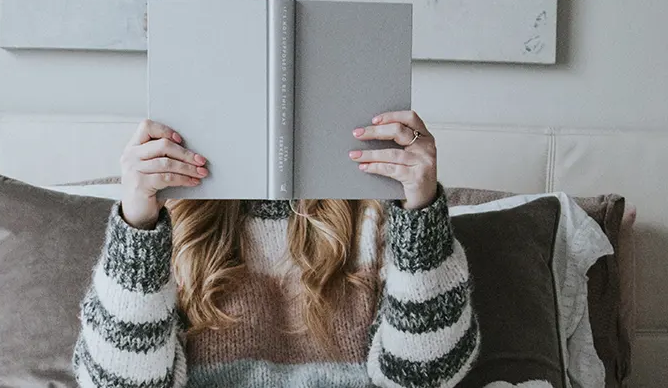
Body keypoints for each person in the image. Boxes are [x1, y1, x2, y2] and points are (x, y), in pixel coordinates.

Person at [72, 109, 480, 387]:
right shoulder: (174, 223)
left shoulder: (379, 216)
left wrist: (421, 213)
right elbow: (119, 381)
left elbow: (425, 376)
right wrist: (138, 225)